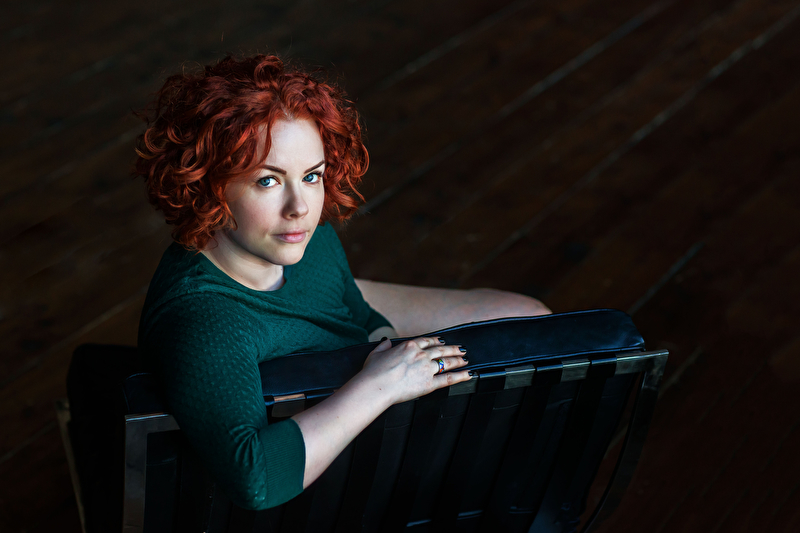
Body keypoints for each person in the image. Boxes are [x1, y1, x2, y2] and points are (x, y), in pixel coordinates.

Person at [135, 54, 550, 511]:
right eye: (268, 181)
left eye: (311, 176)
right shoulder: (204, 323)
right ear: (207, 183)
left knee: (531, 320)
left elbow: (354, 309)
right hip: (334, 480)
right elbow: (257, 481)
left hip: (347, 386)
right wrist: (381, 387)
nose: (300, 208)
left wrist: (392, 351)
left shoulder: (303, 237)